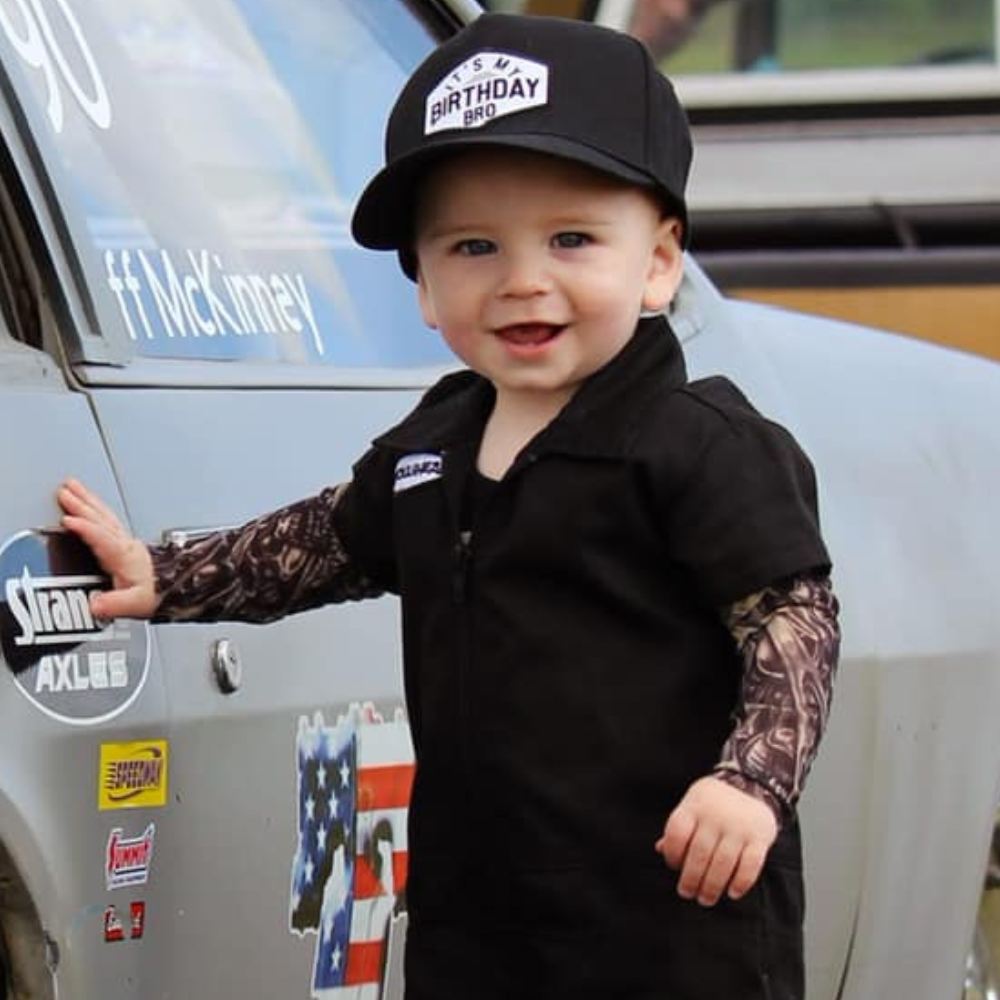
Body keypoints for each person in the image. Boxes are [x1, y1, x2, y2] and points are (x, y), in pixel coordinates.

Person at [58, 13, 840, 1000]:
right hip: (479, 926)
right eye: (473, 246)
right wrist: (165, 576)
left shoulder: (698, 444)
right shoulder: (435, 446)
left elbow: (792, 620)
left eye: (571, 238)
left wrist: (751, 781)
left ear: (657, 261)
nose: (522, 281)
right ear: (423, 287)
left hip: (669, 928)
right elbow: (325, 541)